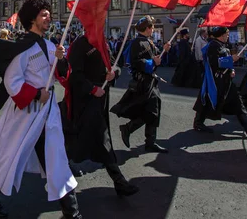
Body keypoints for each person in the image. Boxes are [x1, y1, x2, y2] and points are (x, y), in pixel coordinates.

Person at [0, 0, 81, 219]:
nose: (49, 17)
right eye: (44, 14)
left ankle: (71, 212)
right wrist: (36, 93)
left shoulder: (51, 45)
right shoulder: (23, 48)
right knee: (9, 155)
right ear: (32, 19)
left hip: (48, 112)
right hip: (26, 114)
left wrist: (61, 61)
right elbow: (12, 82)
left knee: (56, 157)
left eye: (48, 14)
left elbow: (61, 74)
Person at [60, 34, 139, 197]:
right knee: (101, 136)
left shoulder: (103, 43)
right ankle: (119, 181)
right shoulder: (79, 45)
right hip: (84, 100)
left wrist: (113, 74)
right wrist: (91, 89)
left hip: (102, 97)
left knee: (84, 135)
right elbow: (74, 75)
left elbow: (114, 65)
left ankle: (63, 162)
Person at [192, 27, 247, 138]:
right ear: (221, 35)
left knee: (238, 103)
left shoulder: (222, 45)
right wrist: (231, 59)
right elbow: (213, 62)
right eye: (226, 34)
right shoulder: (213, 45)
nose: (228, 36)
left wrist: (231, 69)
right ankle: (198, 122)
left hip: (227, 80)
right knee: (208, 100)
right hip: (216, 81)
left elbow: (227, 61)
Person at [111, 15, 170, 153]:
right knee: (150, 110)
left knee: (152, 110)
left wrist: (165, 51)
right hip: (142, 82)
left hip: (150, 81)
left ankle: (149, 141)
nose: (153, 29)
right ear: (147, 28)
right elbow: (136, 62)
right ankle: (130, 129)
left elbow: (157, 58)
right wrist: (152, 63)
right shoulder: (137, 43)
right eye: (152, 27)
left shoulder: (148, 41)